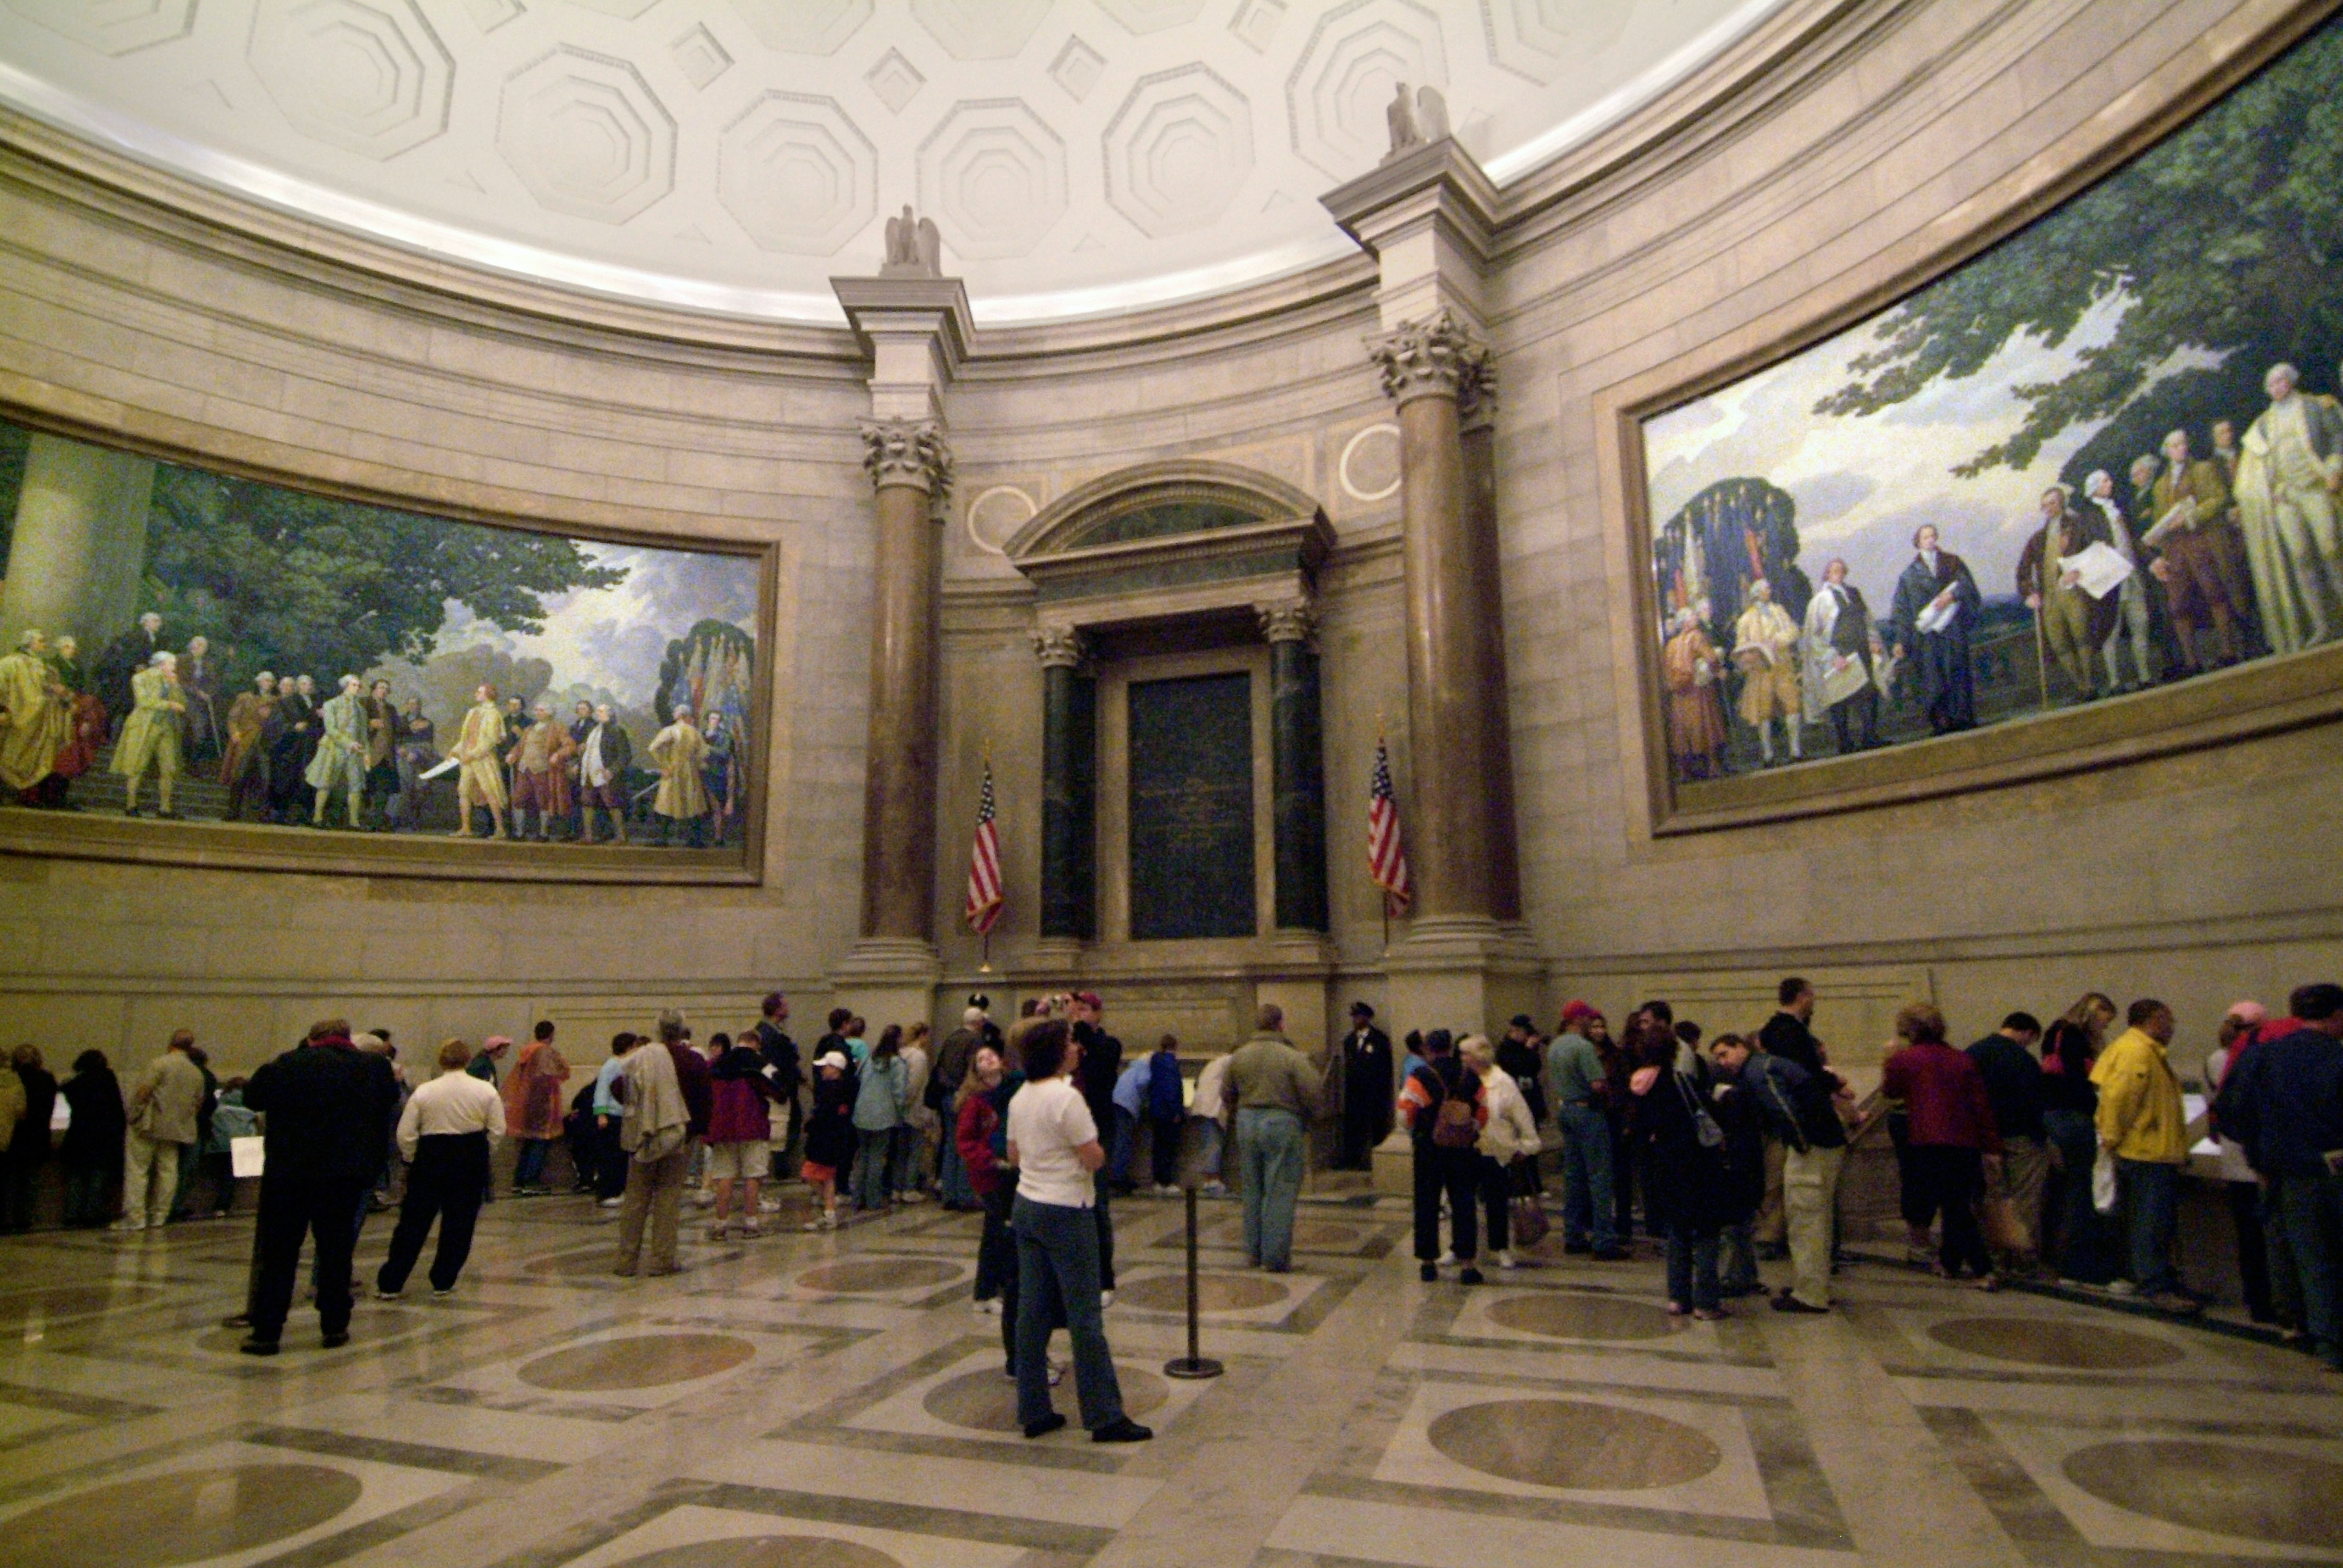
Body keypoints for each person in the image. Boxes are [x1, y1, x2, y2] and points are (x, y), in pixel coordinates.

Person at [1004, 1019, 1152, 1444]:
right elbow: (1094, 1159)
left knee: (1032, 1312)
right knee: (1085, 1315)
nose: (1077, 1048)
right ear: (1054, 1051)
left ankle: (1033, 1409)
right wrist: (1089, 1154)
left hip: (1028, 1204)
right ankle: (1105, 1416)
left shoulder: (1020, 1097)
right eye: (1070, 1042)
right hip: (1067, 1210)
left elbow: (1014, 1155)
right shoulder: (1066, 1098)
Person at [239, 1019, 401, 1353]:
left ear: (313, 1039)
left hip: (290, 1174)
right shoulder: (373, 1068)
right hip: (344, 1176)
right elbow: (387, 1106)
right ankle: (334, 1326)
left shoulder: (289, 1063)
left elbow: (252, 1098)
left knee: (280, 1254)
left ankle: (268, 1332)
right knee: (336, 1252)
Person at [2213, 983, 2343, 1370]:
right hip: (2327, 1169)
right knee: (2325, 1254)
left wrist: (2260, 1153)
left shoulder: (2262, 1056)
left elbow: (2230, 1110)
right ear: (2336, 1015)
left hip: (2278, 1170)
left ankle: (2306, 1329)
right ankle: (2331, 1341)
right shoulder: (2335, 1059)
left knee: (2296, 1252)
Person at [1720, 1032, 1851, 1314]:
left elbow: (1783, 1108)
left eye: (1724, 1053)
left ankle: (1810, 1295)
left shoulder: (1758, 1070)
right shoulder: (1769, 1065)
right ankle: (1816, 1287)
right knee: (1818, 1220)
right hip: (1825, 1143)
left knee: (1806, 1221)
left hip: (1813, 1146)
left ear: (1742, 1048)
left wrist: (1801, 1145)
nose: (1723, 1062)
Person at [1881, 1001, 2001, 1289]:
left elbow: (1891, 1091)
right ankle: (1949, 1262)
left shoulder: (1905, 1060)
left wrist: (1889, 1059)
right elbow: (1981, 1106)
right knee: (1957, 1203)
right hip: (1965, 1142)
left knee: (1955, 1207)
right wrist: (1992, 1147)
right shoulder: (1962, 1059)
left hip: (1927, 1141)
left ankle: (1984, 1270)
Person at [374, 1039, 503, 1300]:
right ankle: (444, 1279)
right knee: (461, 1222)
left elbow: (406, 1133)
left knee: (413, 1222)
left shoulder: (425, 1091)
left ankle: (392, 1282)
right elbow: (498, 1129)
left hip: (431, 1155)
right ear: (467, 1060)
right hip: (470, 1153)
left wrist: (412, 1159)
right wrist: (482, 1153)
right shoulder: (485, 1091)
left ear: (441, 1061)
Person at [2091, 998, 2196, 1312]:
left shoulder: (2142, 1051)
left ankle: (2158, 1277)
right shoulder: (2136, 1052)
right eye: (2169, 1020)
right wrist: (2111, 1138)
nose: (2172, 1027)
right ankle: (2154, 1284)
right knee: (2150, 1223)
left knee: (2152, 1222)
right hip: (2145, 1152)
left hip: (2152, 1150)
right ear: (2154, 1019)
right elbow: (2118, 1098)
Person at [2233, 364, 2341, 657]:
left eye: (2281, 381)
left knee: (2331, 549)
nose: (2277, 388)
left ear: (2291, 381)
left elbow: (2336, 438)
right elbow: (2261, 467)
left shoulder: (2315, 406)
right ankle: (2322, 625)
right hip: (2287, 497)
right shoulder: (2265, 423)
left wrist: (2334, 468)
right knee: (2301, 557)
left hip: (2315, 487)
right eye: (2271, 385)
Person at [1630, 1024, 1732, 1319]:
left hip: (1664, 1166)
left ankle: (1678, 1297)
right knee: (1707, 1232)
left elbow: (1638, 1130)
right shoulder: (1680, 1081)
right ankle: (1706, 1302)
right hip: (1696, 1163)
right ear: (1674, 1051)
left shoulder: (1639, 1085)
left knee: (1677, 1232)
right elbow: (1710, 1112)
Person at [1223, 1005, 1323, 1273]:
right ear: (1281, 1024)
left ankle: (1253, 1254)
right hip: (1282, 1122)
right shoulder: (1292, 1057)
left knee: (1252, 1190)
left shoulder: (1239, 1056)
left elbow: (1226, 1092)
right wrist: (1311, 1118)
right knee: (1280, 1190)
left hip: (1246, 1122)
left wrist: (1239, 1111)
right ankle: (1275, 1257)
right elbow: (1313, 1092)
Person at [2148, 426, 2250, 670]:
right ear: (2167, 452)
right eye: (2175, 445)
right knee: (2178, 604)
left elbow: (2219, 498)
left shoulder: (2203, 469)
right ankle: (2192, 660)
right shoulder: (2161, 486)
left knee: (2215, 593)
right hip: (2175, 551)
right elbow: (2160, 522)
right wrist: (2158, 551)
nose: (2181, 448)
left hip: (2201, 544)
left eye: (2183, 443)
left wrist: (2192, 516)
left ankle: (2228, 650)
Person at [2204, 1002, 2280, 1324]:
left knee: (2246, 1235)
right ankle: (2275, 1302)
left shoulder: (2214, 1059)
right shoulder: (2258, 1059)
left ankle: (2255, 1300)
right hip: (2258, 1159)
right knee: (2270, 1236)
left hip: (2232, 1158)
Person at [615, 1011, 705, 1276]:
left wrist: (645, 1114)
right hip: (679, 1139)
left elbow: (619, 1088)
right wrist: (692, 1132)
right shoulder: (693, 1061)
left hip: (645, 1137)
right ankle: (662, 1260)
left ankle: (626, 1261)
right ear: (682, 1031)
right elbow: (704, 1102)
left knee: (636, 1198)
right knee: (668, 1197)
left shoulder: (643, 1057)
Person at [1398, 1030, 1487, 1284]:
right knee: (1464, 1203)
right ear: (1451, 1048)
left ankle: (1428, 1263)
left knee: (1427, 1202)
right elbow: (1484, 1109)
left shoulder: (1421, 1076)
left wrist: (1419, 1130)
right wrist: (1471, 1132)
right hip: (1462, 1149)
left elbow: (1405, 1112)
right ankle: (1468, 1264)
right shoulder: (1469, 1075)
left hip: (1429, 1148)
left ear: (1428, 1049)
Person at [956, 1044, 1024, 1365]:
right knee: (995, 1232)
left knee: (998, 1232)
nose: (988, 1060)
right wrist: (991, 1160)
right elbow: (965, 1142)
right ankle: (984, 1292)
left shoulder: (1013, 1089)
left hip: (1010, 1170)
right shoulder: (976, 1102)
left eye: (991, 1056)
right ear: (976, 1069)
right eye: (981, 1058)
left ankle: (988, 1290)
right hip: (990, 1174)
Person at [1966, 1012, 2048, 1277]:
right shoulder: (2023, 1059)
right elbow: (2035, 1102)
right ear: (2028, 1033)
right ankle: (2023, 1260)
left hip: (1983, 1140)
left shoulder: (1974, 1053)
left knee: (1993, 1199)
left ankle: (1996, 1258)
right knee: (2025, 1199)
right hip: (2020, 1138)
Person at [2038, 1014, 2115, 1287]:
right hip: (2075, 1120)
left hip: (2056, 1119)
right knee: (2082, 1193)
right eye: (2105, 1021)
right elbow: (2082, 1080)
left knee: (2060, 1193)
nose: (2105, 1027)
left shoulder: (2056, 1034)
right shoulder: (2073, 1037)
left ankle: (2053, 1259)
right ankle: (2078, 1265)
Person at [2018, 485, 2114, 700]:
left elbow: (2097, 552)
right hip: (2050, 598)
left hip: (2075, 592)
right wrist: (2030, 593)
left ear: (2061, 503)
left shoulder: (2078, 527)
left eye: (2053, 503)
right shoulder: (2038, 539)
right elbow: (2023, 570)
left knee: (2083, 636)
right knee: (2059, 643)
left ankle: (2091, 684)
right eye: (2045, 505)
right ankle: (2080, 686)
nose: (2049, 508)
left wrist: (2079, 571)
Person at [1547, 1002, 1627, 1259]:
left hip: (1566, 1110)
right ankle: (1604, 1241)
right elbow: (1597, 1084)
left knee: (1573, 1176)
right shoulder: (1583, 1047)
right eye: (1587, 1018)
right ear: (1578, 1019)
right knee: (1600, 1175)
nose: (1590, 1023)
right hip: (1588, 1113)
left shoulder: (1556, 1046)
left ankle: (1573, 1236)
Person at [1889, 523, 1982, 734]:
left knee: (1957, 671)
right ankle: (1941, 723)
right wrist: (1901, 640)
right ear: (1918, 542)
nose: (1930, 540)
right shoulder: (1909, 575)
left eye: (1933, 536)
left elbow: (1968, 586)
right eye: (1925, 537)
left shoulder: (1952, 562)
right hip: (1928, 636)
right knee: (1933, 678)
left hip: (1952, 629)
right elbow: (1902, 611)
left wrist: (1952, 595)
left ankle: (1963, 718)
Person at [1461, 1034, 1539, 1270]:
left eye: (1466, 1054)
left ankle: (1501, 1248)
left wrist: (1527, 1145)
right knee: (1463, 1203)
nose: (1462, 1058)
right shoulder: (1462, 1080)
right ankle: (1460, 1248)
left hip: (1495, 1149)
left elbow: (1521, 1115)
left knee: (1497, 1202)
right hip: (1467, 1149)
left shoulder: (1502, 1081)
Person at [118, 1030, 207, 1231]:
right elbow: (198, 1103)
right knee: (168, 1172)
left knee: (138, 1171)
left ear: (171, 1044)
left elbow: (143, 1092)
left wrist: (133, 1115)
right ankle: (159, 1215)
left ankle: (136, 1217)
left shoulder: (159, 1064)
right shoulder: (196, 1072)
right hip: (176, 1130)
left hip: (149, 1127)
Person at [1068, 992, 1124, 1301]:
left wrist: (1080, 1028)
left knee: (1098, 1206)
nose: (1078, 1014)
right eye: (1075, 1009)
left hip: (1098, 1130)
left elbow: (1101, 1064)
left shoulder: (1108, 1044)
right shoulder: (1067, 1044)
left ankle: (1104, 1279)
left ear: (1098, 1013)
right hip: (1067, 1135)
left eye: (1085, 1009)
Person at [2082, 469, 2157, 690]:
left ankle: (2144, 675)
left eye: (2109, 479)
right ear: (2095, 487)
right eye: (2105, 481)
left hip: (2132, 576)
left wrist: (2151, 560)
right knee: (2111, 632)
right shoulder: (2088, 517)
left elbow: (2133, 540)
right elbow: (2090, 550)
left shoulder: (2118, 510)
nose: (2110, 483)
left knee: (2140, 624)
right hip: (2110, 582)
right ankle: (2115, 682)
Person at [705, 1029, 782, 1241]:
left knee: (725, 1176)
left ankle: (721, 1225)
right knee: (753, 1175)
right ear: (756, 1044)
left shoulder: (716, 1064)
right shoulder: (758, 1063)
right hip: (752, 1125)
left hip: (722, 1128)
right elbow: (778, 1089)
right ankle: (751, 1224)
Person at [1801, 557, 1882, 752]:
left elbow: (1867, 620)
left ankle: (1870, 737)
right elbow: (1814, 635)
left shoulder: (1854, 594)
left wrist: (1873, 641)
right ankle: (1845, 743)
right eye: (1833, 571)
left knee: (1868, 694)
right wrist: (1832, 657)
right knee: (1840, 699)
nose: (1838, 573)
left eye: (1841, 570)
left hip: (1860, 650)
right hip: (1838, 654)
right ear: (1827, 575)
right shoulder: (1820, 600)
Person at [1731, 578, 1804, 763]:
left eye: (1768, 589)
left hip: (1782, 666)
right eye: (1765, 589)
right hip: (1761, 670)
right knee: (1764, 711)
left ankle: (1795, 751)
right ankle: (1768, 754)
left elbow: (1793, 631)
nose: (1768, 592)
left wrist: (1778, 640)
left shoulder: (1778, 611)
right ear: (1757, 594)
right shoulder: (1746, 619)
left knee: (1792, 705)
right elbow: (1741, 645)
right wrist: (1751, 653)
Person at [0, 630, 71, 805]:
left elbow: (44, 687)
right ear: (30, 643)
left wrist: (56, 692)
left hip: (39, 718)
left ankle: (30, 795)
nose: (44, 644)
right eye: (41, 641)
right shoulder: (11, 663)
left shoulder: (43, 665)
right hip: (18, 716)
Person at [114, 651, 188, 818]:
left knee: (169, 768)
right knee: (137, 766)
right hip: (144, 726)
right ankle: (131, 805)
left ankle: (165, 809)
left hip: (166, 727)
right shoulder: (141, 678)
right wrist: (169, 704)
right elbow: (144, 702)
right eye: (172, 664)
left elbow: (183, 703)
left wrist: (175, 686)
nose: (174, 668)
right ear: (161, 664)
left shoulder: (172, 680)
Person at [1660, 608, 1730, 778]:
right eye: (1692, 616)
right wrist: (1719, 671)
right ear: (1685, 622)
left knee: (1682, 729)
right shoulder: (1696, 637)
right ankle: (1713, 766)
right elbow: (1711, 658)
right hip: (1697, 689)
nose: (1695, 618)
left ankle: (1685, 771)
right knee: (1706, 726)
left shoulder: (1671, 644)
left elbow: (1667, 669)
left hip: (1679, 693)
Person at [502, 1022, 570, 1195]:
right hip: (543, 1104)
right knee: (540, 1142)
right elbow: (555, 1073)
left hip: (527, 1102)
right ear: (551, 1034)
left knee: (529, 1142)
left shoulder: (528, 1050)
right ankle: (531, 1181)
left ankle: (519, 1180)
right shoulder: (544, 1051)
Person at [57, 1050, 124, 1226]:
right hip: (103, 1136)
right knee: (98, 1177)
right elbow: (117, 1110)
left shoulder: (75, 1083)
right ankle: (92, 1213)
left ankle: (72, 1214)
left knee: (77, 1176)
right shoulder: (108, 1080)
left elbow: (66, 1091)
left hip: (78, 1134)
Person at [851, 1025, 909, 1212]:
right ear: (898, 1040)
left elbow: (858, 1080)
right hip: (884, 1115)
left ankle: (857, 1198)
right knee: (877, 1158)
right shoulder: (897, 1064)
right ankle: (873, 1200)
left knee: (863, 1157)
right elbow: (899, 1093)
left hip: (862, 1112)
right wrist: (901, 1114)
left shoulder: (869, 1058)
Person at [934, 1006, 987, 1207]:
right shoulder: (975, 1040)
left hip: (947, 1095)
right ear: (979, 1023)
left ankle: (949, 1194)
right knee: (967, 1144)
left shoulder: (951, 1038)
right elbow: (973, 1069)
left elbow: (941, 1067)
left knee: (950, 1144)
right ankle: (965, 1195)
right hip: (964, 1095)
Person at [304, 674, 368, 829]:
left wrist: (366, 753)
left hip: (355, 751)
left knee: (355, 785)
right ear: (346, 686)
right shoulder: (332, 704)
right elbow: (331, 730)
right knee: (325, 783)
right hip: (334, 748)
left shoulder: (361, 710)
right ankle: (318, 817)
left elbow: (364, 734)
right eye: (355, 685)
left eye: (359, 686)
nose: (358, 688)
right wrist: (348, 743)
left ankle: (354, 821)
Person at [752, 993, 802, 1187]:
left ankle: (781, 1165)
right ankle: (780, 1167)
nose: (788, 1007)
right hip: (778, 1090)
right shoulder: (767, 1033)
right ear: (777, 1009)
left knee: (790, 1125)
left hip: (784, 1087)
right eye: (785, 1005)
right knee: (782, 1129)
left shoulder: (771, 1031)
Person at [1335, 1001, 1393, 1169]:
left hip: (1374, 1093)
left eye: (1359, 1016)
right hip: (1355, 1093)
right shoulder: (1349, 1041)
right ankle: (1353, 1161)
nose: (1355, 1020)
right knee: (1354, 1128)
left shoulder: (1379, 1040)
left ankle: (1378, 1164)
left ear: (1367, 1018)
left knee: (1377, 1128)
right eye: (1354, 1017)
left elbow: (1385, 1069)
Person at [448, 683, 510, 839]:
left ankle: (500, 830)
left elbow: (491, 740)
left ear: (488, 694)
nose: (476, 694)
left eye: (479, 692)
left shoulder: (494, 714)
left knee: (490, 792)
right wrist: (455, 751)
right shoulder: (473, 712)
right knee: (464, 791)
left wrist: (474, 754)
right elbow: (466, 737)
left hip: (483, 759)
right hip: (468, 759)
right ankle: (466, 828)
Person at [5, 1045, 57, 1232]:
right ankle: (25, 1219)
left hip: (15, 1137)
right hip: (38, 1137)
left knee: (10, 1181)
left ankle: (6, 1218)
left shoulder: (13, 1080)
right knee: (30, 1181)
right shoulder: (47, 1079)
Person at [801, 1051, 854, 1230]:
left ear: (835, 1069)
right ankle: (829, 1213)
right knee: (829, 1177)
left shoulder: (830, 1091)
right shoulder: (846, 1088)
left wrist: (811, 1126)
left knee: (809, 1174)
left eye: (826, 1067)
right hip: (836, 1139)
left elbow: (823, 1115)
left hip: (823, 1140)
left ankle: (827, 1206)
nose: (823, 1070)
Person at [648, 704, 711, 846]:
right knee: (692, 803)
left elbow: (653, 748)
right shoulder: (694, 732)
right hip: (690, 772)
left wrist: (664, 765)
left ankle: (663, 839)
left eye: (675, 713)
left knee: (668, 804)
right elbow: (704, 753)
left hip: (673, 770)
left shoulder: (670, 731)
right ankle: (695, 839)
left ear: (679, 715)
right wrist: (696, 763)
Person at [576, 703, 633, 843]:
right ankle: (589, 836)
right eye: (598, 712)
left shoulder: (616, 731)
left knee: (613, 804)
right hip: (590, 772)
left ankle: (621, 836)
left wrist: (613, 771)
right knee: (587, 803)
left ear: (610, 714)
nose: (598, 714)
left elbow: (625, 755)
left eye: (601, 712)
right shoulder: (594, 730)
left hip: (606, 774)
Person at [590, 1033, 636, 1207]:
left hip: (622, 1116)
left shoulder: (625, 1065)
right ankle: (608, 1192)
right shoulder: (612, 1065)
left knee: (620, 1156)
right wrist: (601, 1114)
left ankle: (618, 1190)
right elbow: (602, 1090)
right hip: (612, 1117)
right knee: (610, 1156)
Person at [1188, 1046, 1234, 1198]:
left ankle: (1210, 1179)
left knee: (1209, 1142)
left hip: (1203, 1106)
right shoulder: (1229, 1061)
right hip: (1211, 1109)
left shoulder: (1214, 1064)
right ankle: (1211, 1181)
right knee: (1213, 1144)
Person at [1143, 1033, 1185, 1193]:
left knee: (1158, 1146)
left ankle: (1158, 1181)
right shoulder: (1171, 1064)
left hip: (1157, 1110)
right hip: (1168, 1113)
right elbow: (1172, 1089)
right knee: (1168, 1147)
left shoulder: (1156, 1062)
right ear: (1174, 1047)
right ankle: (1167, 1181)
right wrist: (1176, 1111)